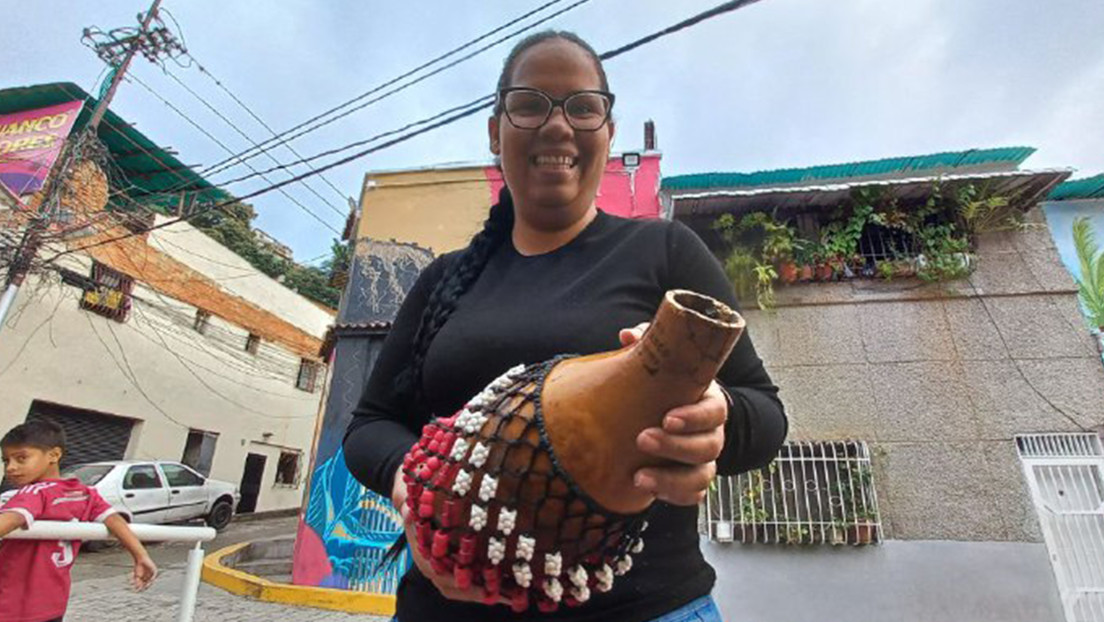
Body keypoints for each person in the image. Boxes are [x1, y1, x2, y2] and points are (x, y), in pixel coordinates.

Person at [344, 30, 787, 621]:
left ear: (609, 132)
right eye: (530, 104)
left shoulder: (664, 252)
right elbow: (370, 425)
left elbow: (765, 413)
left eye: (583, 107)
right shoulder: (446, 280)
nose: (558, 126)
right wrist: (414, 484)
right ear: (495, 131)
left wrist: (713, 419)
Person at [0, 421, 158, 622]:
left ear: (54, 455)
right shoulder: (83, 493)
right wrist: (140, 554)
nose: (11, 468)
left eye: (21, 458)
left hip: (12, 606)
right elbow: (114, 519)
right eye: (6, 461)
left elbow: (13, 518)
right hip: (53, 605)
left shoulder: (35, 492)